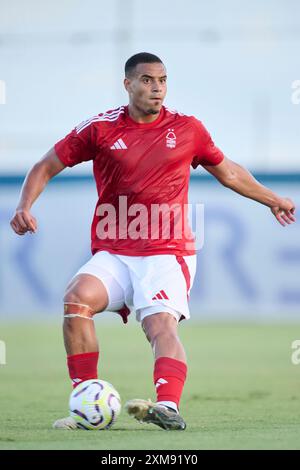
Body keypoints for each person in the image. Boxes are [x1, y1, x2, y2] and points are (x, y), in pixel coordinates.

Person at [10, 52, 296, 431]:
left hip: (166, 251)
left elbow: (227, 171)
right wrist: (24, 205)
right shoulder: (100, 129)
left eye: (162, 80)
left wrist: (273, 199)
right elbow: (47, 164)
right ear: (127, 84)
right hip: (114, 250)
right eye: (146, 80)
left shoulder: (188, 129)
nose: (156, 87)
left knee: (161, 325)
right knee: (76, 299)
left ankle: (167, 406)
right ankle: (86, 403)